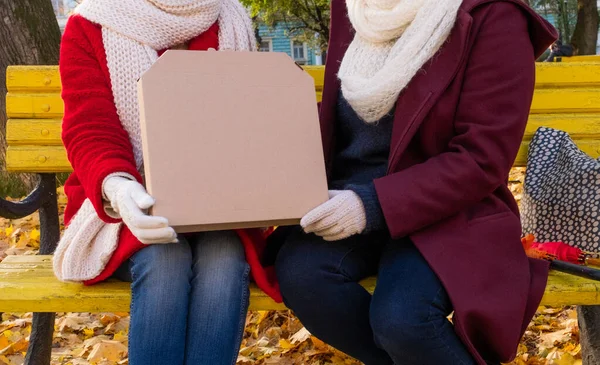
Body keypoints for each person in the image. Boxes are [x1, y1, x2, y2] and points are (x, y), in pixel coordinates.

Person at [273, 0, 557, 364]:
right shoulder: (357, 9)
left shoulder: (494, 14)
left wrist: (370, 205)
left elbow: (482, 158)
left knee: (402, 320)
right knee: (303, 277)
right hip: (347, 197)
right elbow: (339, 123)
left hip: (450, 209)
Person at [52, 1, 281, 364]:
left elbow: (248, 117)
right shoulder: (92, 22)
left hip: (220, 206)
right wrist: (117, 186)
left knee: (224, 258)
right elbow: (89, 126)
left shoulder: (229, 16)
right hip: (126, 203)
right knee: (165, 258)